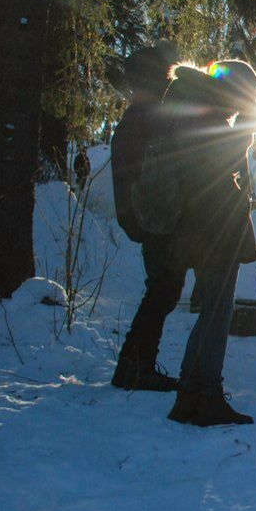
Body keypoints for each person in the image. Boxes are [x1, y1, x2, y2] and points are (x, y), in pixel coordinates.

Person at [165, 60, 256, 426]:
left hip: (198, 229)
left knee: (212, 312)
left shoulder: (195, 108)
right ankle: (206, 396)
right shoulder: (205, 118)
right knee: (217, 314)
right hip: (210, 230)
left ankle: (188, 395)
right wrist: (244, 133)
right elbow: (217, 174)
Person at [110, 41, 188, 390]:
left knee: (163, 288)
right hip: (154, 216)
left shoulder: (136, 116)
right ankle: (135, 366)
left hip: (144, 215)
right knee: (163, 288)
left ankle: (134, 363)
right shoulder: (147, 116)